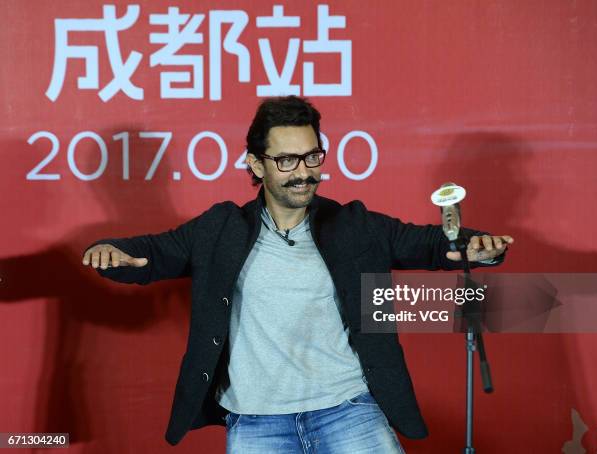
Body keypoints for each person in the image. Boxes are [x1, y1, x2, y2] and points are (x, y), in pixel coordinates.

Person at [82, 96, 513, 453]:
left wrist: (477, 246)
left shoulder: (353, 225)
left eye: (311, 156)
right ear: (256, 165)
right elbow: (155, 252)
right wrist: (113, 253)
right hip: (256, 423)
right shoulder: (221, 228)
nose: (303, 172)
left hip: (349, 409)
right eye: (286, 160)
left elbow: (430, 244)